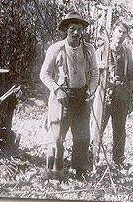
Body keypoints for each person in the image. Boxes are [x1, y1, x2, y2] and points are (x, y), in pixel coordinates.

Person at [40, 10, 99, 182]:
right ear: (66, 29)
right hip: (62, 97)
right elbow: (44, 74)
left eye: (79, 29)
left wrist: (91, 90)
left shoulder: (89, 49)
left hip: (82, 96)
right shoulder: (55, 49)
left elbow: (95, 73)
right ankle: (55, 172)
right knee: (57, 136)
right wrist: (56, 90)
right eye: (72, 28)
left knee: (82, 135)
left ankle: (80, 171)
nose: (76, 33)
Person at [98, 20, 133, 166]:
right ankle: (92, 155)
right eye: (119, 31)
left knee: (120, 128)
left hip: (122, 95)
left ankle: (118, 159)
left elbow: (131, 76)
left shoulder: (127, 53)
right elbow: (93, 74)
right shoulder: (102, 50)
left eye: (124, 32)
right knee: (99, 127)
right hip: (105, 94)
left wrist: (130, 99)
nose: (121, 35)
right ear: (113, 31)